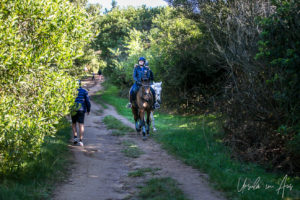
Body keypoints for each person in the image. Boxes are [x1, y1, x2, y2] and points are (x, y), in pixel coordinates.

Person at [71, 80, 91, 146]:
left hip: (73, 109)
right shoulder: (84, 91)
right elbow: (87, 101)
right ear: (80, 84)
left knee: (74, 124)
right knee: (81, 124)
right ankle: (81, 141)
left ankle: (75, 138)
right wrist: (88, 110)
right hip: (81, 109)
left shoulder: (71, 91)